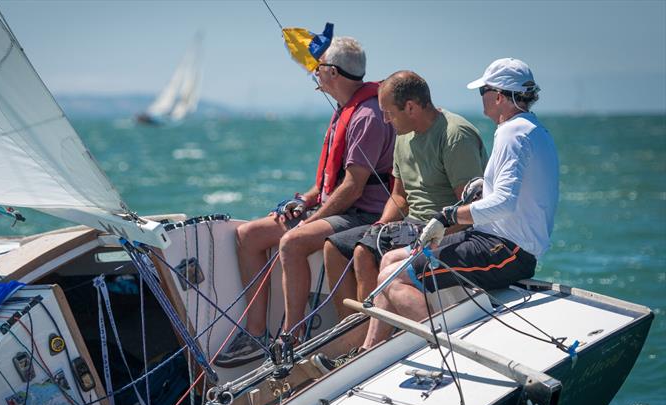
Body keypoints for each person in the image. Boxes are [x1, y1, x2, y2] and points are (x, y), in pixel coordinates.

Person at [215, 36, 396, 368]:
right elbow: (329, 180)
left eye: (319, 67)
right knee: (249, 235)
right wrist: (306, 201)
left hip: (363, 214)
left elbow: (354, 188)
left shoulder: (367, 115)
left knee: (293, 242)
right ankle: (256, 336)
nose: (314, 72)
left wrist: (313, 220)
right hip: (338, 205)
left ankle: (290, 338)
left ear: (331, 72)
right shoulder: (346, 108)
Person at [363, 58, 558, 349]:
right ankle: (368, 351)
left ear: (499, 96)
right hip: (498, 241)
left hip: (507, 250)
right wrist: (482, 187)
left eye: (483, 92)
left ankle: (451, 348)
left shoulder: (511, 133)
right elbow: (509, 193)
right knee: (390, 260)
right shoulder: (531, 129)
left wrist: (449, 216)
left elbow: (504, 203)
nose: (481, 98)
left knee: (392, 276)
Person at [321, 70, 487, 353]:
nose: (385, 120)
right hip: (409, 223)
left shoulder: (454, 136)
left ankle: (371, 344)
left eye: (389, 113)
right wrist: (381, 226)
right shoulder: (403, 135)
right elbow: (399, 196)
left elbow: (469, 208)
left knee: (372, 255)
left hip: (442, 228)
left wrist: (435, 237)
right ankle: (358, 333)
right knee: (341, 248)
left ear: (411, 107)